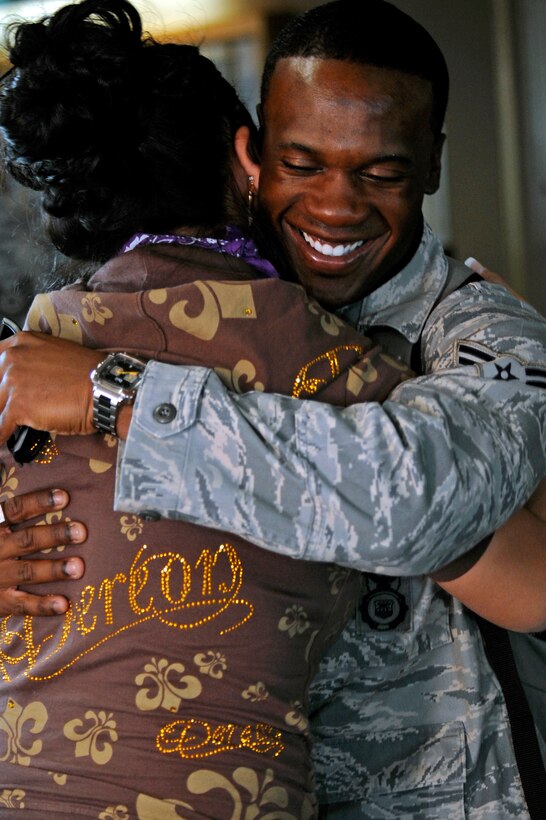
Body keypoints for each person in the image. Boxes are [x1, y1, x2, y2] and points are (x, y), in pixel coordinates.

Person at [0, 0, 546, 816]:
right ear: (251, 154)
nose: (335, 206)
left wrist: (119, 398)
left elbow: (434, 508)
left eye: (381, 174)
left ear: (432, 165)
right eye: (304, 163)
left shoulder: (484, 337)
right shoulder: (129, 330)